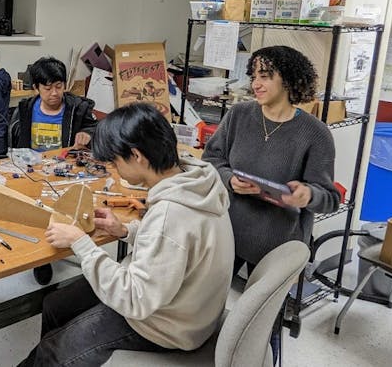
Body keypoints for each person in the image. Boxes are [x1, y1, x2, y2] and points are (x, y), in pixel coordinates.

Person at [20, 103, 235, 366]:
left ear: (136, 155)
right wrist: (125, 231)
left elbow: (135, 300)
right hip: (185, 304)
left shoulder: (171, 214)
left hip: (166, 325)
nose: (114, 169)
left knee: (53, 352)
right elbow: (180, 245)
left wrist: (81, 243)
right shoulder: (197, 179)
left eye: (115, 161)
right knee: (56, 305)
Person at [202, 45, 338, 362]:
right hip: (231, 232)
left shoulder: (315, 134)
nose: (256, 83)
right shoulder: (238, 115)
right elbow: (211, 159)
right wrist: (228, 179)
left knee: (261, 327)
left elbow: (330, 198)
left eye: (265, 76)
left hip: (279, 243)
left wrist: (307, 194)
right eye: (253, 76)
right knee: (208, 306)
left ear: (289, 80)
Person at [11, 56, 97, 151]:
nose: (54, 93)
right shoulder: (25, 109)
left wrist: (87, 133)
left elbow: (97, 129)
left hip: (66, 163)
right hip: (33, 163)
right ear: (36, 88)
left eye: (59, 86)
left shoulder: (78, 109)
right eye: (48, 88)